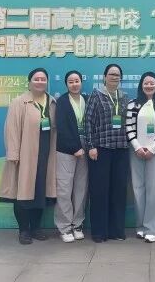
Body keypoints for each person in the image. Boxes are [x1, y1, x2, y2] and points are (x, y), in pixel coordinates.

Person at [0, 68, 57, 245]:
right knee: (22, 192)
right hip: (25, 155)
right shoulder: (19, 102)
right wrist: (13, 153)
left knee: (41, 192)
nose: (40, 82)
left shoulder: (52, 103)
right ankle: (24, 230)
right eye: (36, 79)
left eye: (43, 79)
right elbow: (11, 129)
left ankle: (36, 227)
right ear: (29, 82)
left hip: (46, 154)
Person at [85, 63, 129, 243]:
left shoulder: (124, 97)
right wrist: (90, 146)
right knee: (99, 191)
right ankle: (99, 232)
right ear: (104, 77)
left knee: (119, 192)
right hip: (101, 149)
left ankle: (116, 230)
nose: (114, 77)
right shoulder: (96, 95)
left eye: (117, 75)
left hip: (121, 149)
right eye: (111, 74)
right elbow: (88, 122)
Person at [125, 72, 155, 243]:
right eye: (146, 83)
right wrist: (137, 147)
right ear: (141, 85)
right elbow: (128, 127)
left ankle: (153, 228)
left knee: (154, 189)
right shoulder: (132, 104)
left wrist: (152, 148)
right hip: (135, 151)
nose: (149, 86)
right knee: (138, 188)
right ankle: (140, 226)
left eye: (152, 83)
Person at [54, 70, 89, 243]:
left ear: (81, 82)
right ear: (66, 84)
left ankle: (77, 224)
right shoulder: (61, 102)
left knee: (81, 189)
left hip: (85, 148)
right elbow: (61, 127)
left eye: (77, 81)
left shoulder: (87, 99)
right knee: (64, 189)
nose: (74, 84)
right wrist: (74, 147)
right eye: (71, 82)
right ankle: (64, 226)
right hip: (66, 150)